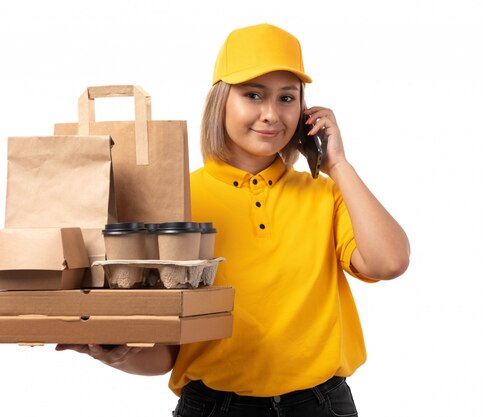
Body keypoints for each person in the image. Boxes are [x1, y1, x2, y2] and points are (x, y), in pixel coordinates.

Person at [57, 23, 410, 416]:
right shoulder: (176, 197)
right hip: (214, 407)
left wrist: (338, 164)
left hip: (321, 404)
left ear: (304, 110)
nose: (271, 114)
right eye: (253, 95)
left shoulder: (324, 194)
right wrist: (118, 355)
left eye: (287, 98)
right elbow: (167, 355)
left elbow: (389, 262)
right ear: (221, 101)